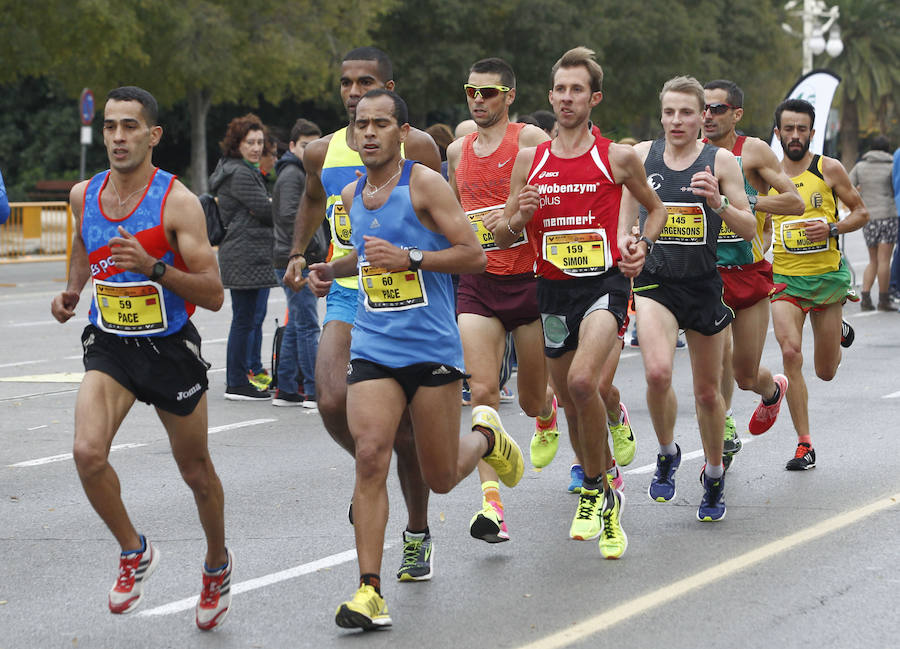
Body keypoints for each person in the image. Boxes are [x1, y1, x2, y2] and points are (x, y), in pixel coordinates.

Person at [308, 89, 522, 630]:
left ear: (403, 133)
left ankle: (486, 439)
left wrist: (413, 258)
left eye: (382, 123)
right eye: (362, 125)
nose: (370, 132)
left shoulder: (424, 183)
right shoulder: (355, 192)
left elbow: (473, 255)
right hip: (374, 346)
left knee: (442, 475)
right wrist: (330, 271)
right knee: (371, 454)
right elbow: (365, 251)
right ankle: (369, 591)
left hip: (430, 350)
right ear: (353, 134)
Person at [50, 86, 232, 630]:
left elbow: (214, 293)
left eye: (130, 126)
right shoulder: (86, 195)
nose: (118, 137)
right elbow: (86, 244)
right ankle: (135, 551)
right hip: (110, 343)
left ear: (152, 135)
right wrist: (72, 289)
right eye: (110, 126)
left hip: (169, 347)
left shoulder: (176, 202)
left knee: (196, 472)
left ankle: (217, 565)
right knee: (87, 452)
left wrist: (154, 267)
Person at [496, 46, 667, 558]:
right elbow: (504, 235)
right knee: (571, 404)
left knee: (579, 382)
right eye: (560, 89)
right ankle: (604, 481)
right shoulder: (531, 159)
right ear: (549, 97)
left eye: (577, 90)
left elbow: (654, 212)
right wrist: (519, 215)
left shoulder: (616, 156)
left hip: (605, 284)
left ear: (594, 98)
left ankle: (595, 490)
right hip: (551, 289)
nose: (567, 98)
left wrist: (641, 244)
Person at [284, 47, 442, 583]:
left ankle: (417, 530)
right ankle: (369, 476)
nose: (353, 93)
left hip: (404, 290)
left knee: (407, 437)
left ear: (389, 87)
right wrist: (299, 253)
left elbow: (441, 216)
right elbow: (311, 199)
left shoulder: (416, 145)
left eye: (366, 82)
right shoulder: (321, 151)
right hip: (350, 287)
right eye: (347, 84)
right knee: (329, 398)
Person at [625, 76, 757, 523]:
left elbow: (749, 229)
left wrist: (718, 202)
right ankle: (667, 452)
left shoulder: (719, 159)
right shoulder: (642, 157)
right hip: (655, 283)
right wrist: (630, 244)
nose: (676, 121)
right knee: (658, 372)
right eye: (669, 112)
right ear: (660, 114)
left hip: (703, 284)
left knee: (706, 392)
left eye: (686, 112)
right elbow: (627, 219)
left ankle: (715, 475)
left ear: (702, 115)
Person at [446, 57, 557, 544]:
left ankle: (548, 413)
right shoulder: (456, 150)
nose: (478, 100)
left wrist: (519, 218)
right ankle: (492, 506)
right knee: (482, 392)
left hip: (529, 282)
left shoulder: (532, 140)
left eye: (488, 92)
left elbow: (557, 198)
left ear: (509, 96)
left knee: (532, 399)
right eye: (472, 91)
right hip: (479, 284)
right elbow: (453, 213)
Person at [702, 79, 805, 462]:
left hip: (748, 269)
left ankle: (771, 390)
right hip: (705, 273)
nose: (708, 116)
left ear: (737, 114)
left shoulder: (753, 152)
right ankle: (725, 425)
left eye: (718, 109)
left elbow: (794, 202)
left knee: (744, 374)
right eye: (705, 109)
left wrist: (745, 202)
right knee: (717, 354)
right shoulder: (691, 153)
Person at [769, 98, 868, 470]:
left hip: (826, 278)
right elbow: (762, 228)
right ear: (778, 133)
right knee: (790, 353)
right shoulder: (768, 173)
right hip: (784, 279)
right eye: (788, 129)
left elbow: (861, 212)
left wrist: (831, 227)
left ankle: (837, 328)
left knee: (825, 371)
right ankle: (804, 444)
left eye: (802, 129)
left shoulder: (829, 169)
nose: (795, 135)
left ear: (812, 132)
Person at [209, 113, 277, 400]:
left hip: (249, 253)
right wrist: (274, 204)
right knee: (244, 319)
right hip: (244, 254)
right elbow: (265, 210)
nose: (256, 148)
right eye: (250, 142)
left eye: (260, 142)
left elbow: (260, 209)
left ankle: (243, 375)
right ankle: (236, 381)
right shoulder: (239, 173)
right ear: (236, 144)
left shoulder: (240, 169)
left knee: (248, 318)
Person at [272, 118, 323, 406]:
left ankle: (287, 388)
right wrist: (313, 248)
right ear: (292, 146)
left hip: (290, 256)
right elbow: (294, 216)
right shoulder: (293, 174)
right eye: (305, 146)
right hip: (295, 258)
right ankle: (315, 391)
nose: (310, 151)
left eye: (314, 146)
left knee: (296, 324)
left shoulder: (299, 172)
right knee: (307, 326)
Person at [849, 135, 896, 311]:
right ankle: (884, 300)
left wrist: (860, 198)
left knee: (873, 260)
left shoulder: (860, 167)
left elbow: (848, 185)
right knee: (885, 260)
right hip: (888, 216)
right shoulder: (893, 166)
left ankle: (866, 297)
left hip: (868, 217)